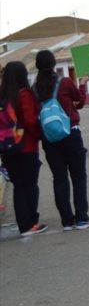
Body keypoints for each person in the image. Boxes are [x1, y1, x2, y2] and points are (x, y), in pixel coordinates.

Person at [34, 50, 89, 231]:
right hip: (70, 133)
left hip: (49, 138)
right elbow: (80, 101)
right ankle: (82, 219)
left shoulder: (34, 88)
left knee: (59, 178)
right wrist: (83, 84)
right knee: (78, 176)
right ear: (54, 64)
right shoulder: (64, 82)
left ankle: (67, 221)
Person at [0, 61, 47, 237]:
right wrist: (39, 135)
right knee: (30, 185)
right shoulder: (24, 94)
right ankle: (31, 222)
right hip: (26, 145)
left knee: (19, 186)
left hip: (6, 146)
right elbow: (30, 121)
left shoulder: (2, 96)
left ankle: (23, 225)